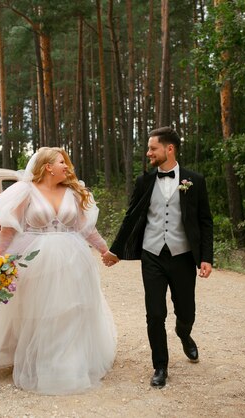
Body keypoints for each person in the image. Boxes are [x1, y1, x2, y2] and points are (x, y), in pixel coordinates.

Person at [0, 147, 117, 395]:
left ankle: (68, 362)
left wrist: (105, 251)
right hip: (37, 259)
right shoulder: (26, 191)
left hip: (72, 258)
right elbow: (8, 230)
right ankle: (41, 358)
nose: (67, 166)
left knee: (71, 310)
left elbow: (86, 229)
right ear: (47, 167)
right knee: (42, 311)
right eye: (61, 162)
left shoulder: (73, 193)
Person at [102, 126, 213, 388]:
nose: (148, 152)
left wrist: (206, 257)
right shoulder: (144, 182)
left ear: (169, 149)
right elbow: (131, 217)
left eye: (153, 148)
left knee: (186, 310)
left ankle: (183, 333)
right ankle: (160, 366)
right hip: (152, 254)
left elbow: (205, 221)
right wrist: (115, 250)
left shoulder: (194, 180)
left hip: (183, 256)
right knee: (154, 313)